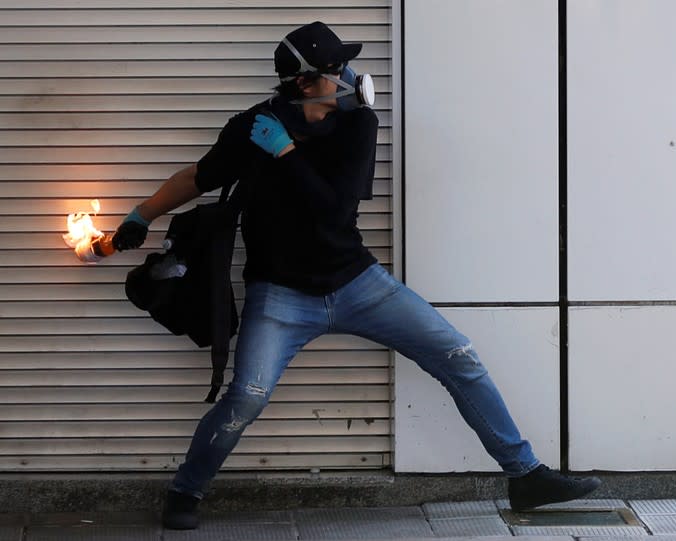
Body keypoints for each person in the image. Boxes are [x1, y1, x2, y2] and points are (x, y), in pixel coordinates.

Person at [111, 21, 601, 531]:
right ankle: (185, 491)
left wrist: (286, 154)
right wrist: (142, 215)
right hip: (279, 295)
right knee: (247, 395)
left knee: (458, 355)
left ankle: (526, 476)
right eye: (335, 69)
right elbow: (198, 176)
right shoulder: (252, 129)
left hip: (357, 283)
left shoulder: (357, 125)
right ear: (305, 83)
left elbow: (333, 208)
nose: (349, 75)